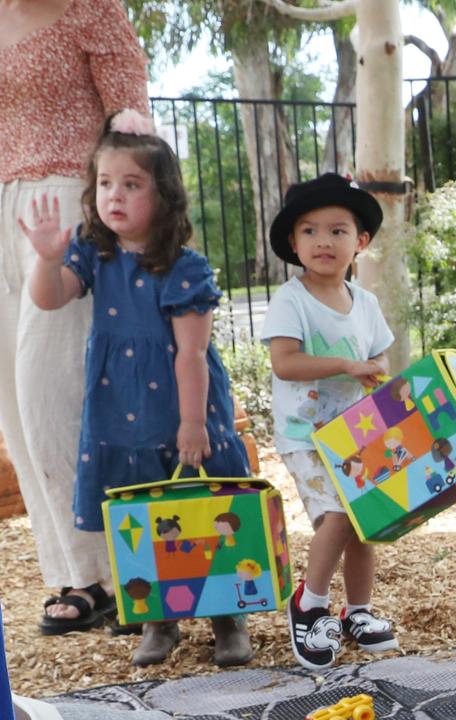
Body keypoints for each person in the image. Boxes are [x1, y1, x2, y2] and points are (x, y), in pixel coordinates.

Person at [21, 110, 254, 667]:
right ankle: (158, 619)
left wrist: (193, 423)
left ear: (164, 196)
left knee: (204, 509)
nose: (114, 195)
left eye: (131, 184)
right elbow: (49, 299)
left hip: (181, 412)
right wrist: (47, 260)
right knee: (144, 517)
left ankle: (228, 618)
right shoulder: (94, 254)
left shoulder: (183, 267)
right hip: (121, 412)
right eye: (105, 183)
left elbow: (192, 353)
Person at [0, 0, 149, 635]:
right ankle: (76, 572)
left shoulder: (90, 9)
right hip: (1, 209)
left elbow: (134, 126)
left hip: (67, 203)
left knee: (50, 394)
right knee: (13, 406)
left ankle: (121, 571)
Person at [261, 173, 398, 671]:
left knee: (363, 524)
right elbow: (285, 363)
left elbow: (380, 359)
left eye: (337, 230)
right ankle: (310, 603)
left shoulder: (366, 303)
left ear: (360, 242)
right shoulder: (291, 299)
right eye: (310, 230)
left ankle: (357, 611)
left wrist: (376, 372)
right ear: (294, 244)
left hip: (355, 437)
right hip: (306, 436)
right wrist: (345, 365)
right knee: (337, 515)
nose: (323, 241)